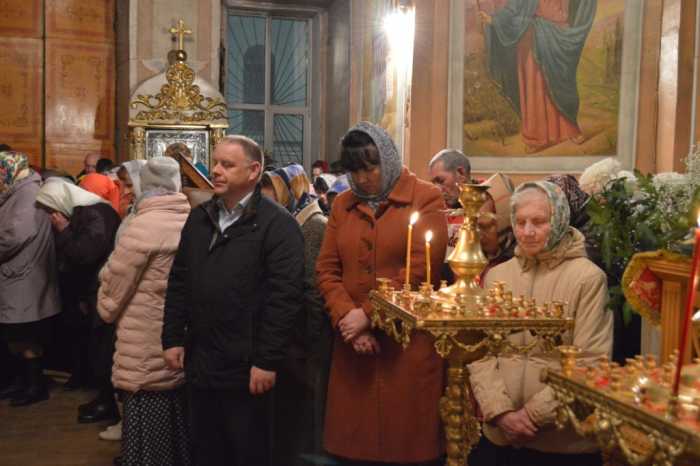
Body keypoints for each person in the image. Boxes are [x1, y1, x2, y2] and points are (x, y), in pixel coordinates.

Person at [162, 135, 304, 466]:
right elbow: (180, 280)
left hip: (247, 364)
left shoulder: (278, 225)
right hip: (202, 358)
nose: (215, 171)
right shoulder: (200, 217)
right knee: (206, 449)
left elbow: (284, 299)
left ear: (253, 171)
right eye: (215, 163)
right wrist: (172, 337)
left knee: (246, 450)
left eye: (227, 165)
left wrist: (267, 360)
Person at [316, 122, 448, 465]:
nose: (362, 179)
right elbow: (327, 269)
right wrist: (348, 318)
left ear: (387, 160)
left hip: (405, 347)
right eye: (354, 170)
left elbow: (420, 271)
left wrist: (368, 315)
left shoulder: (425, 197)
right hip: (353, 348)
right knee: (354, 450)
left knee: (405, 446)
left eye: (370, 168)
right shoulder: (342, 205)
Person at [467, 181, 613, 466]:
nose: (527, 232)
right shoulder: (497, 276)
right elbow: (479, 350)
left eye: (539, 222)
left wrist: (533, 416)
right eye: (520, 222)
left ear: (559, 220)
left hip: (562, 441)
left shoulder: (588, 279)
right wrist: (500, 412)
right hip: (501, 435)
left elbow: (591, 362)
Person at [98, 157, 192, 466]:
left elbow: (116, 281)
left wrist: (105, 306)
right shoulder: (190, 219)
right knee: (174, 412)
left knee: (146, 411)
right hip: (178, 331)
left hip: (143, 332)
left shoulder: (143, 225)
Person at [35, 178, 121, 421]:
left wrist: (63, 230)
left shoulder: (95, 213)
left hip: (101, 287)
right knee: (95, 346)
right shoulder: (84, 212)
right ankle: (103, 398)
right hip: (91, 288)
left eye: (51, 208)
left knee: (103, 348)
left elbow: (85, 254)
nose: (51, 215)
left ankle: (107, 402)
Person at [261, 163, 330, 464]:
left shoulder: (313, 225)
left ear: (290, 192)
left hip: (303, 341)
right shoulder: (294, 220)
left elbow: (313, 290)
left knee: (303, 418)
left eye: (273, 198)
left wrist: (309, 346)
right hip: (289, 337)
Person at [479, 1, 596, 153]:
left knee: (560, 82)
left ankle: (569, 130)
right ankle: (536, 137)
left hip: (557, 35)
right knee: (534, 87)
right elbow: (514, 7)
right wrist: (495, 20)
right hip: (531, 38)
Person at [0, 151, 61, 406]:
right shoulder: (21, 191)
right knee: (17, 334)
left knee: (25, 335)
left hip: (24, 276)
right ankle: (23, 382)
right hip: (20, 273)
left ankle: (35, 386)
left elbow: (15, 235)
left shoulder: (27, 194)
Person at [427, 149, 472, 283]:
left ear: (461, 173)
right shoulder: (435, 208)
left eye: (440, 181)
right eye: (434, 183)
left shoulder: (487, 203)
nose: (437, 189)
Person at [478, 173, 516, 282]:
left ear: (505, 223)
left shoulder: (520, 266)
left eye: (486, 226)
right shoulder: (473, 258)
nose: (479, 235)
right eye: (475, 225)